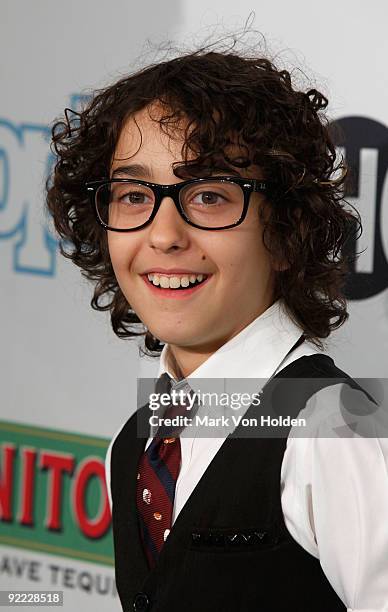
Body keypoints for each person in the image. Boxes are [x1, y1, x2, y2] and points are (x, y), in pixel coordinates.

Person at [46, 43, 388, 611]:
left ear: (285, 232)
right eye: (134, 196)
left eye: (208, 196)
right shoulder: (133, 443)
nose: (164, 235)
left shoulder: (333, 431)